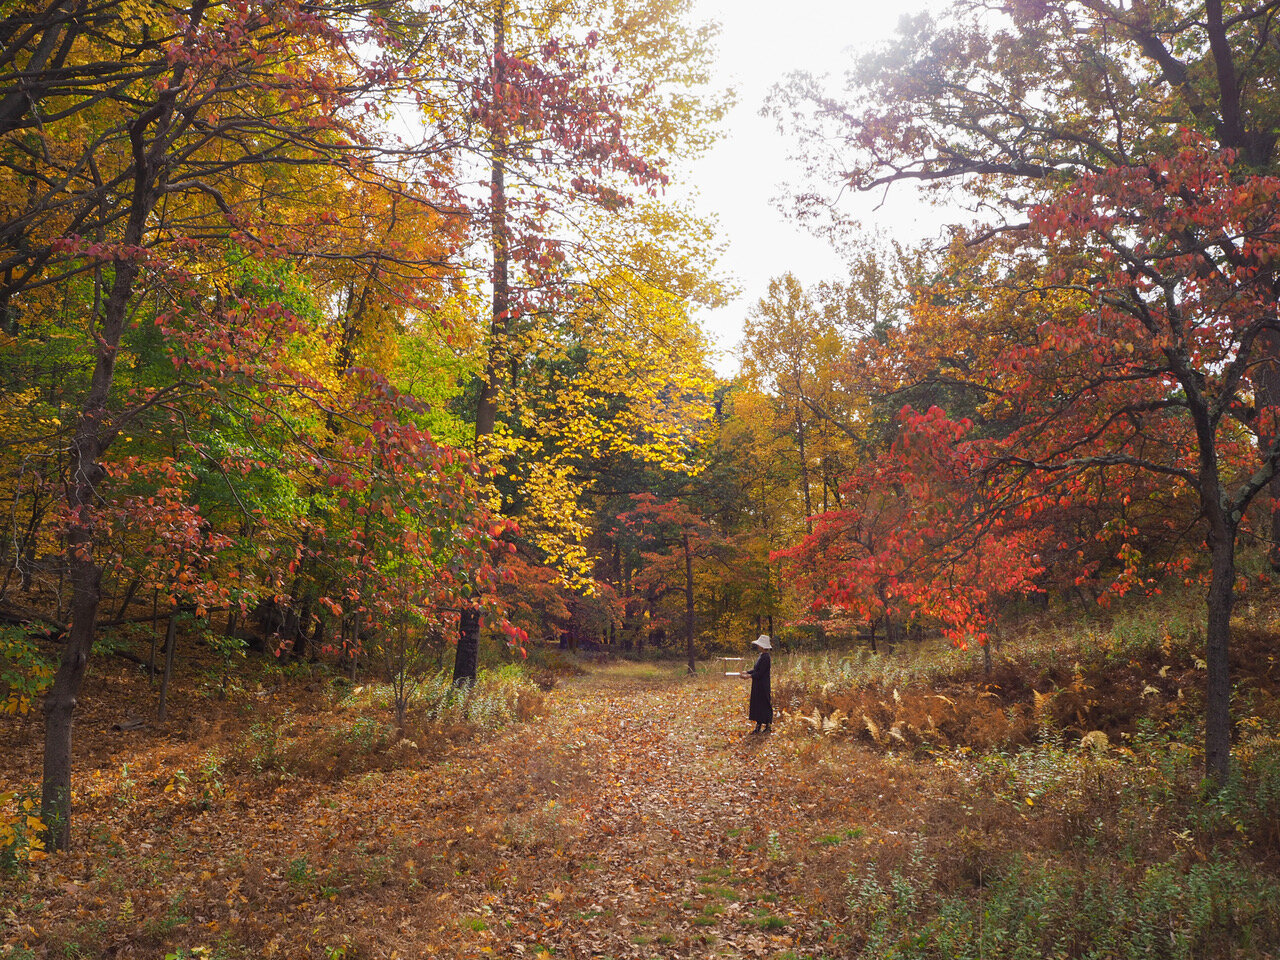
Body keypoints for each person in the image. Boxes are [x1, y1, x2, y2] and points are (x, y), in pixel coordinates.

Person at [741, 634, 773, 733]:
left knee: (764, 703)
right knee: (757, 704)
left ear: (763, 646)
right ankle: (758, 726)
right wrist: (747, 672)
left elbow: (760, 672)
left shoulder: (766, 657)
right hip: (757, 684)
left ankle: (767, 726)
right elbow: (756, 670)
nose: (758, 646)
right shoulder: (761, 656)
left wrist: (749, 676)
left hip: (763, 685)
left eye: (759, 645)